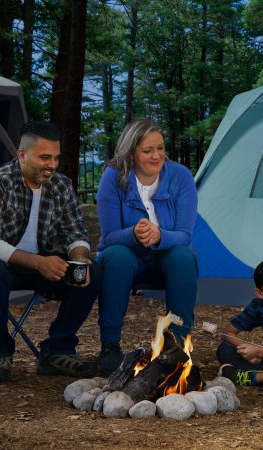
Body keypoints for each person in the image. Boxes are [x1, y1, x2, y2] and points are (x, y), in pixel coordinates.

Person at [0, 121, 102, 382]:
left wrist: (78, 256)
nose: (51, 165)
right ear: (22, 155)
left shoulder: (61, 185)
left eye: (55, 157)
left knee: (93, 271)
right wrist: (38, 262)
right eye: (44, 157)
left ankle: (57, 350)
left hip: (38, 266)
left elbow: (76, 232)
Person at [96, 118, 198, 375]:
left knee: (183, 257)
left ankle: (176, 344)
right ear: (131, 153)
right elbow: (108, 238)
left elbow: (184, 235)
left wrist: (159, 236)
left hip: (166, 260)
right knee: (116, 256)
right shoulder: (113, 177)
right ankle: (109, 346)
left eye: (160, 148)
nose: (157, 156)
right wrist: (134, 233)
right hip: (129, 259)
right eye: (148, 150)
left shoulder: (180, 176)